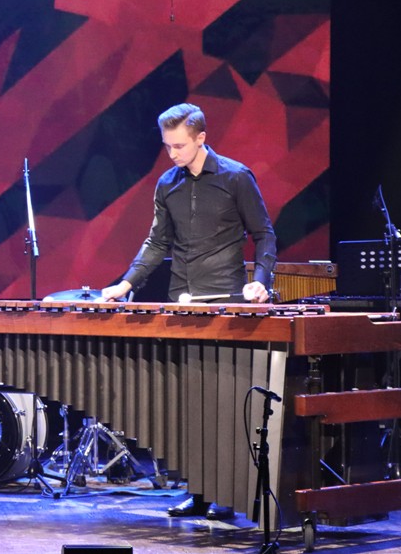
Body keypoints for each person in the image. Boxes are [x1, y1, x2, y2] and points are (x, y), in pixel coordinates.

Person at [100, 103, 276, 520]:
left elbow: (264, 234)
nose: (173, 153)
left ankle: (226, 493)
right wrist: (126, 283)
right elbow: (157, 242)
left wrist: (261, 281)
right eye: (167, 146)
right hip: (182, 301)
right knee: (188, 402)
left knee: (223, 402)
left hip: (225, 303)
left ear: (201, 138)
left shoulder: (236, 177)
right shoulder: (167, 184)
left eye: (179, 145)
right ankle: (197, 492)